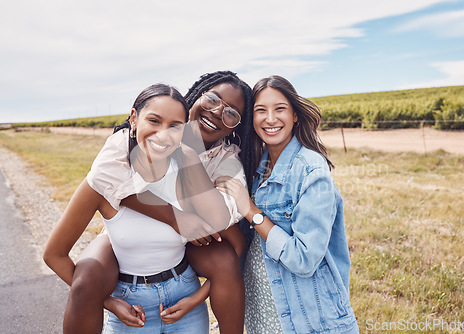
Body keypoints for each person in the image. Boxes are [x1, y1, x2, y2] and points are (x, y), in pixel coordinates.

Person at [46, 71, 254, 334]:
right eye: (212, 99)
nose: (216, 112)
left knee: (225, 259)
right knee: (88, 277)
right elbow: (106, 182)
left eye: (231, 113)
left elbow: (225, 219)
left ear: (238, 125)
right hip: (129, 235)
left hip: (191, 241)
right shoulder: (129, 145)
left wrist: (190, 160)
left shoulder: (221, 159)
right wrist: (175, 218)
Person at [216, 75, 360, 333]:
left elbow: (304, 259)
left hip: (304, 318)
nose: (270, 119)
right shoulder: (257, 168)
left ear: (294, 115)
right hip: (261, 312)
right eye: (261, 111)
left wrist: (251, 211)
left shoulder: (311, 172)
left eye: (279, 109)